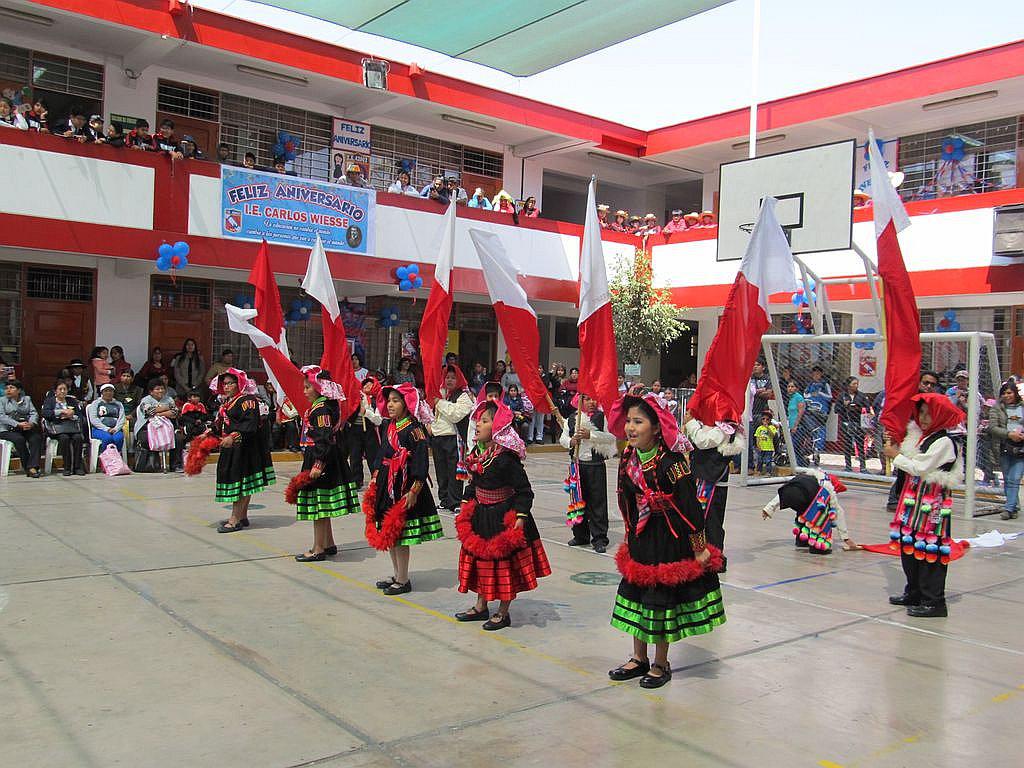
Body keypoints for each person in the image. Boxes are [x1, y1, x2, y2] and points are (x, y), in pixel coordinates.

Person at [606, 391, 726, 688]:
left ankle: (661, 662)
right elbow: (626, 498)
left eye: (639, 422)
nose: (631, 428)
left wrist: (699, 549)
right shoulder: (629, 457)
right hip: (641, 537)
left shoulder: (673, 462)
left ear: (657, 427)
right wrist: (630, 530)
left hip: (668, 538)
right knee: (637, 595)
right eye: (629, 421)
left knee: (660, 600)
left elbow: (690, 508)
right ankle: (638, 658)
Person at [454, 399, 551, 630]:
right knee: (480, 563)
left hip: (502, 517)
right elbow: (474, 483)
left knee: (503, 564)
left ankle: (503, 612)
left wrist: (520, 517)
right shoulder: (479, 453)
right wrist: (466, 501)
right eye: (478, 419)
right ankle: (480, 606)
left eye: (485, 421)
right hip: (481, 516)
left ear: (497, 427)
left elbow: (524, 491)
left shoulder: (507, 458)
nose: (478, 424)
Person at [883, 393, 964, 618]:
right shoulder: (918, 436)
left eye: (929, 414)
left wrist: (896, 456)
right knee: (910, 547)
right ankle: (915, 591)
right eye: (921, 413)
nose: (924, 418)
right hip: (913, 502)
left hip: (932, 505)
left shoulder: (945, 442)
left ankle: (934, 601)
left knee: (932, 550)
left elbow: (921, 467)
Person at [365, 383, 443, 594]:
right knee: (390, 533)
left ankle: (403, 578)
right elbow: (381, 454)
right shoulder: (389, 426)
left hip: (404, 485)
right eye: (388, 400)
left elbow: (420, 461)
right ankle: (396, 573)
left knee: (400, 534)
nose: (390, 404)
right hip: (386, 484)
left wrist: (415, 490)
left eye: (395, 400)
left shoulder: (414, 429)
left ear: (407, 404)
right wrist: (374, 477)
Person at [291, 367, 360, 560]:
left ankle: (318, 548)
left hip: (321, 457)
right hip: (325, 455)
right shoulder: (324, 406)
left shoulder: (321, 409)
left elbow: (324, 438)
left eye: (307, 387)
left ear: (319, 388)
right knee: (323, 505)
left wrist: (318, 463)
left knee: (318, 506)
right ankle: (328, 543)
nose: (304, 391)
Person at [210, 369, 275, 532]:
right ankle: (242, 516)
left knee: (240, 484)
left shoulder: (247, 400)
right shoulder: (229, 401)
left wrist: (233, 436)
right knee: (244, 483)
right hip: (233, 448)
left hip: (244, 449)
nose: (226, 387)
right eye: (224, 384)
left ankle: (235, 519)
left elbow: (250, 424)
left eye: (230, 383)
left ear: (239, 383)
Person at [561, 393, 616, 552]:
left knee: (597, 502)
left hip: (596, 465)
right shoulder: (572, 418)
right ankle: (580, 535)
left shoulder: (601, 417)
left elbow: (610, 437)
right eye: (587, 399)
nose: (592, 402)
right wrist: (571, 441)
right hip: (577, 465)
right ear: (580, 401)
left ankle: (599, 538)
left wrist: (590, 434)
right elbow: (563, 439)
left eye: (593, 399)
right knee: (577, 500)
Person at [761, 471, 860, 552]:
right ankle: (818, 547)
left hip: (789, 495)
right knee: (821, 514)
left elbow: (786, 492)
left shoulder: (806, 476)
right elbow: (838, 511)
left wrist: (769, 508)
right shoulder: (827, 486)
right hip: (804, 497)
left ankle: (802, 540)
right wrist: (846, 538)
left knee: (803, 513)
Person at [886, 371, 941, 512]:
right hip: (907, 438)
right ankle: (895, 498)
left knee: (916, 468)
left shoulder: (936, 400)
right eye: (925, 383)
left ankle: (908, 497)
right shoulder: (909, 398)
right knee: (904, 468)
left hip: (926, 439)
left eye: (932, 384)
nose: (928, 386)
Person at [431, 364, 474, 513]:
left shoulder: (464, 396)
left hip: (453, 438)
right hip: (437, 437)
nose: (449, 380)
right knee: (440, 471)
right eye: (447, 377)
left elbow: (455, 414)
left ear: (459, 379)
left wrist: (439, 402)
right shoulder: (439, 392)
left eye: (453, 378)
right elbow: (427, 410)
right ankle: (444, 499)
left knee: (454, 470)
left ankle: (455, 501)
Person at [988, 382, 1024, 520]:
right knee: (1008, 479)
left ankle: (1008, 509)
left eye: (1009, 393)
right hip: (1003, 448)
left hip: (1021, 449)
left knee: (1015, 478)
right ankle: (1013, 507)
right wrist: (1009, 434)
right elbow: (992, 428)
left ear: (1015, 393)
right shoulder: (996, 409)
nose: (1007, 396)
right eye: (1004, 393)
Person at [134, 378, 183, 472]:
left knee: (178, 439)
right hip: (147, 427)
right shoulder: (146, 400)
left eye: (162, 388)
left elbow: (175, 413)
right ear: (151, 391)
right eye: (157, 389)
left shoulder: (169, 399)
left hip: (166, 427)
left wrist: (159, 413)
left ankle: (176, 465)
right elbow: (149, 412)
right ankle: (152, 465)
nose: (160, 391)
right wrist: (167, 407)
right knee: (146, 439)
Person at [42, 381, 86, 476]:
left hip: (71, 426)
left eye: (64, 389)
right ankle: (67, 467)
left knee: (78, 438)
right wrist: (61, 412)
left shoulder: (71, 401)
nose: (62, 391)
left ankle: (77, 467)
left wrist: (71, 416)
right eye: (60, 389)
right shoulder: (50, 401)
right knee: (64, 438)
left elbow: (79, 415)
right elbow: (46, 414)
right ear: (55, 391)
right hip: (57, 427)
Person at [0, 380, 43, 477]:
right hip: (6, 429)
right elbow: (2, 417)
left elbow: (34, 413)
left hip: (24, 427)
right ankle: (29, 468)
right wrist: (18, 424)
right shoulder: (2, 401)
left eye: (12, 388)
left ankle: (33, 466)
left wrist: (31, 423)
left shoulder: (26, 399)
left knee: (36, 438)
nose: (8, 390)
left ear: (19, 390)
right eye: (7, 388)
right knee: (19, 439)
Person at [348, 375, 383, 488]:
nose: (367, 385)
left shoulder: (376, 400)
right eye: (365, 384)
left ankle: (376, 480)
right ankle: (356, 481)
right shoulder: (355, 396)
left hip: (369, 431)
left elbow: (378, 420)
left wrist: (366, 413)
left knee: (373, 457)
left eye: (370, 384)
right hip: (354, 430)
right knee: (355, 456)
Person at [803, 366, 833, 467]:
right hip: (810, 412)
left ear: (821, 374)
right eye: (814, 373)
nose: (816, 375)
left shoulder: (825, 385)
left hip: (821, 413)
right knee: (810, 432)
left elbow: (830, 397)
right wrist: (812, 395)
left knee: (820, 432)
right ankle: (809, 450)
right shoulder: (810, 385)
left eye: (818, 373)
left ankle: (817, 452)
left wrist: (819, 393)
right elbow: (805, 395)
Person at [87, 384, 126, 454]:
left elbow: (122, 419)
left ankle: (116, 458)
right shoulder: (96, 403)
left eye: (111, 391)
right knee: (107, 438)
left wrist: (116, 429)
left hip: (115, 429)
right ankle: (105, 458)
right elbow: (93, 419)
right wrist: (106, 429)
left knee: (119, 438)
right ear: (102, 393)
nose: (108, 393)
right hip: (99, 429)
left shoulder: (118, 404)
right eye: (106, 391)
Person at [786, 380, 808, 467]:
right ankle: (796, 465)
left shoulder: (799, 397)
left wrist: (795, 425)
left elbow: (800, 412)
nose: (790, 389)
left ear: (797, 388)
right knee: (793, 447)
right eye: (789, 387)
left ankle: (798, 465)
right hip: (791, 426)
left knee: (795, 447)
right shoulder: (791, 398)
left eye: (792, 387)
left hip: (798, 426)